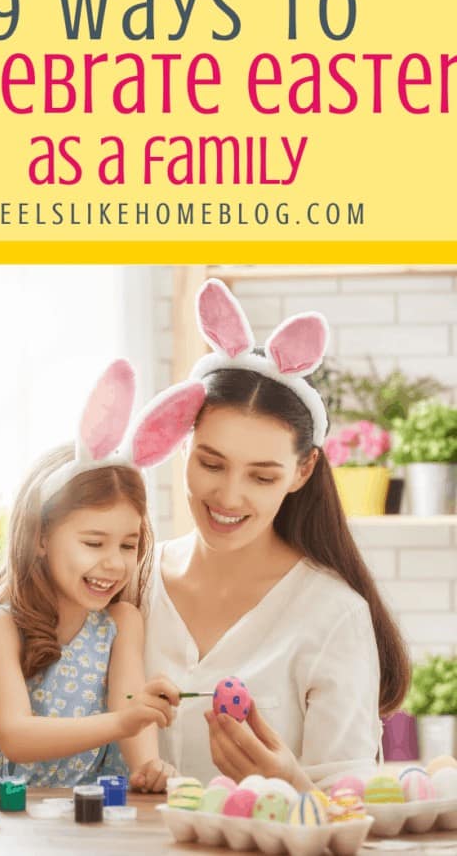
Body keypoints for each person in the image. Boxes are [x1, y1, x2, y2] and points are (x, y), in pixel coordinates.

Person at [143, 279, 411, 791]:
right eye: (211, 462)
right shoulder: (130, 583)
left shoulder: (333, 614)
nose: (229, 496)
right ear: (183, 446)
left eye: (262, 476)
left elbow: (350, 814)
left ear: (302, 472)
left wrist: (290, 782)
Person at [0, 359, 205, 792]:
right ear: (41, 536)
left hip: (86, 814)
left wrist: (150, 768)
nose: (115, 563)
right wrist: (123, 718)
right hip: (15, 822)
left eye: (128, 544)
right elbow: (16, 737)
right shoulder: (0, 627)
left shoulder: (122, 623)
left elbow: (130, 714)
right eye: (93, 542)